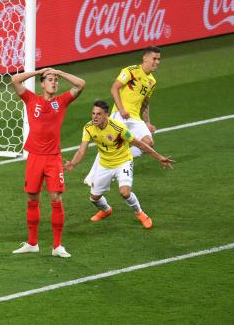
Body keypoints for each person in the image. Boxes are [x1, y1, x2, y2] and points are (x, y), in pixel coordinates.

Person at [10, 68, 85, 258]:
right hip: (34, 157)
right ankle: (32, 243)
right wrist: (38, 72)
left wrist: (60, 72)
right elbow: (15, 80)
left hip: (53, 158)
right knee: (32, 199)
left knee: (56, 199)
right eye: (50, 80)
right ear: (42, 84)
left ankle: (57, 246)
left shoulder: (62, 101)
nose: (54, 82)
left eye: (56, 80)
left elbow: (80, 84)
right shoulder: (31, 99)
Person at [64, 100, 175, 228]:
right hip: (104, 164)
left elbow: (138, 143)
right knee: (94, 198)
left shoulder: (118, 128)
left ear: (106, 115)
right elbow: (81, 150)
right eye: (93, 113)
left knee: (125, 193)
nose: (95, 117)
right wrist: (73, 163)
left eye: (98, 114)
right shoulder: (89, 128)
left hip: (123, 162)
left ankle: (140, 213)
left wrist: (159, 157)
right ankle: (106, 210)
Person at [84, 46, 162, 187]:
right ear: (145, 58)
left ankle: (118, 163)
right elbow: (114, 88)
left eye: (158, 59)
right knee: (111, 142)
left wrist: (147, 123)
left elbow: (145, 102)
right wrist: (121, 110)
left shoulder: (152, 81)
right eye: (154, 59)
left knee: (148, 143)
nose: (157, 62)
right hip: (120, 115)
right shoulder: (131, 71)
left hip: (135, 118)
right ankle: (91, 176)